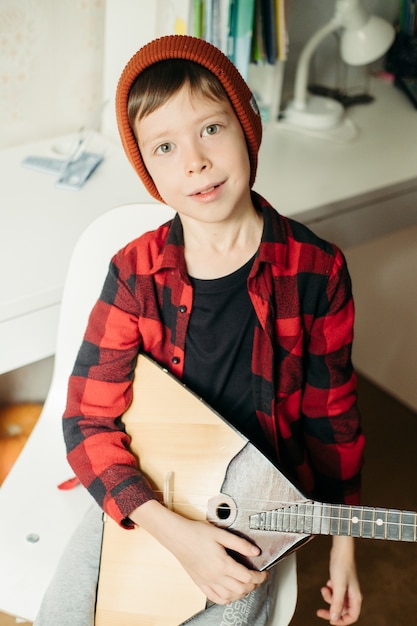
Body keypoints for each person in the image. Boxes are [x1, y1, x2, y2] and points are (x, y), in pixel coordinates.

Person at [36, 35, 365, 626]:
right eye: (165, 145)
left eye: (211, 129)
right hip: (150, 485)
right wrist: (167, 528)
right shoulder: (134, 272)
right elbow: (87, 421)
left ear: (246, 128)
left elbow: (331, 417)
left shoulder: (318, 270)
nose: (195, 161)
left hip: (253, 503)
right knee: (63, 614)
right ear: (148, 170)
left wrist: (344, 544)